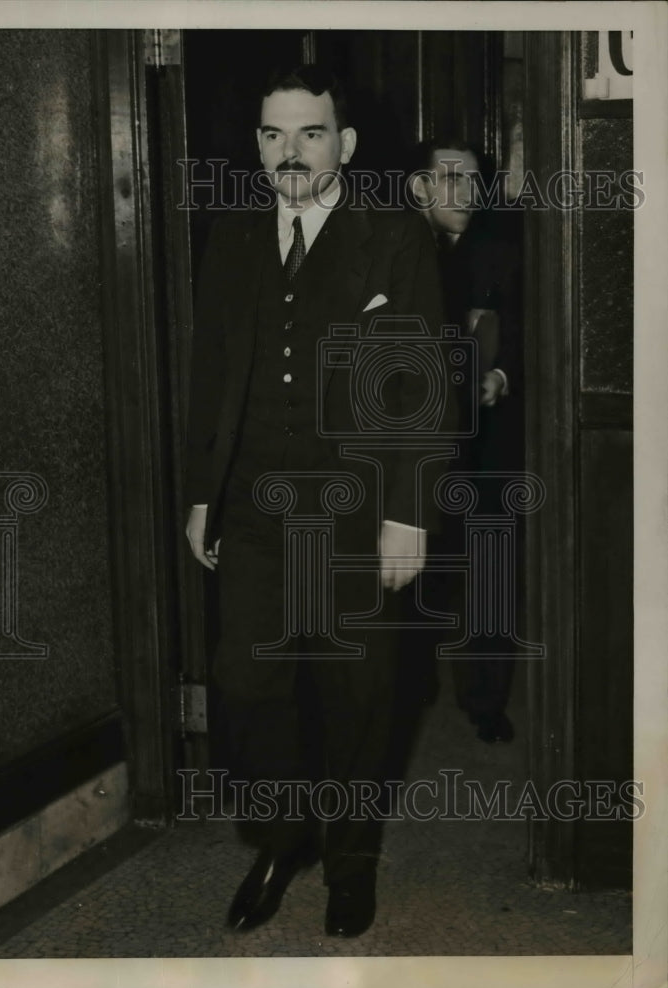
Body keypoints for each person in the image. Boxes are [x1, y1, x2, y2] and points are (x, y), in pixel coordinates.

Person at [185, 66, 454, 938]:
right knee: (245, 681)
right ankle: (282, 836)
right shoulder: (230, 235)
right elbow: (211, 374)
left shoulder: (393, 237)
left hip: (358, 511)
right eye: (274, 135)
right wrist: (202, 496)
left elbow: (418, 385)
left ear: (344, 143)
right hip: (254, 508)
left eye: (310, 133)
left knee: (357, 693)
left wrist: (407, 513)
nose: (290, 152)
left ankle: (350, 862)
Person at [410, 138, 524, 744]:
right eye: (451, 179)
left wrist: (499, 376)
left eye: (474, 180)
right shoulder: (390, 252)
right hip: (415, 447)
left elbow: (528, 332)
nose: (466, 193)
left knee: (492, 564)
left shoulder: (502, 252)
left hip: (485, 444)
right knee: (415, 568)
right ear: (420, 187)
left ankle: (486, 699)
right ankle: (408, 686)